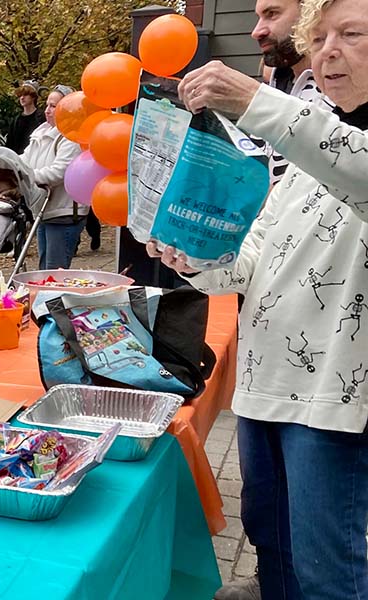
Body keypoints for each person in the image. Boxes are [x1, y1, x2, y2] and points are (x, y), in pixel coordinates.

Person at [149, 0, 368, 597]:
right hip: (264, 389)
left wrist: (253, 102)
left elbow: (354, 166)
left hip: (335, 406)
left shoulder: (336, 147)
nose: (327, 51)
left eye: (350, 34)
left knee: (331, 573)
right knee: (273, 547)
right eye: (319, 37)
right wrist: (195, 257)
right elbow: (248, 265)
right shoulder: (301, 162)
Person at [250, 0, 336, 186]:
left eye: (272, 14)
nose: (256, 31)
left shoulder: (344, 92)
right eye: (259, 18)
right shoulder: (274, 82)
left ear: (312, 12)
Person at [20, 85, 84, 270]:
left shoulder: (71, 138)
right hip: (45, 211)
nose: (47, 110)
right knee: (45, 270)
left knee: (54, 273)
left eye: (53, 106)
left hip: (63, 212)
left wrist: (27, 177)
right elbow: (23, 160)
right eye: (47, 105)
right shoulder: (40, 134)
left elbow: (58, 172)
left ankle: (53, 300)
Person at [5, 81, 45, 154]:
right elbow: (10, 144)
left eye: (25, 95)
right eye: (20, 95)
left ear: (33, 97)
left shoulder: (42, 118)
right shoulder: (16, 120)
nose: (22, 98)